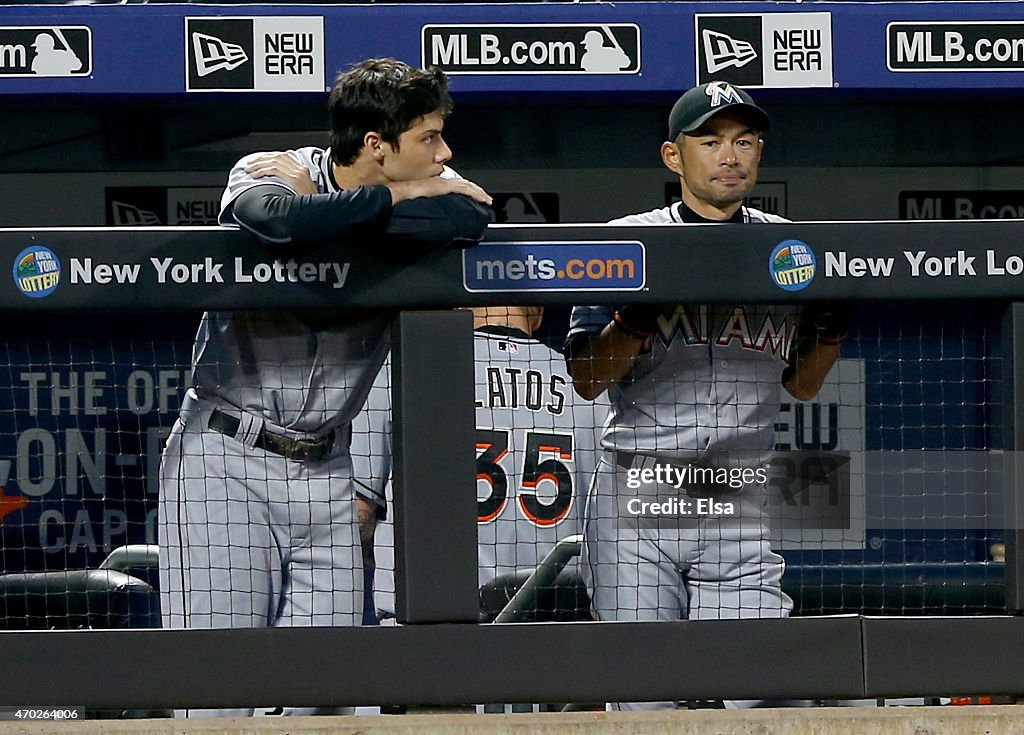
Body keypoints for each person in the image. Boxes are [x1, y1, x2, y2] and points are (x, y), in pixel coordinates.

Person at [157, 57, 491, 718]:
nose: (445, 153)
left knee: (333, 691)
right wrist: (391, 202)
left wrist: (351, 212)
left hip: (327, 468)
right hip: (227, 460)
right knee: (213, 690)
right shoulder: (269, 167)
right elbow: (273, 219)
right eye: (428, 137)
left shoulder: (436, 183)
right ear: (376, 145)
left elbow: (468, 220)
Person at [564, 80, 846, 710]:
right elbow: (587, 376)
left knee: (765, 689)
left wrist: (831, 327)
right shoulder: (626, 241)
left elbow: (802, 384)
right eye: (711, 140)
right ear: (674, 156)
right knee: (643, 696)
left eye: (744, 141)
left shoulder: (793, 250)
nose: (730, 156)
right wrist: (636, 318)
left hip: (735, 493)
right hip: (638, 490)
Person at [362, 306, 605, 624]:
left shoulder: (406, 367)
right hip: (554, 632)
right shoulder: (589, 385)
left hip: (426, 630)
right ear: (539, 313)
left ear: (458, 306)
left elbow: (357, 514)